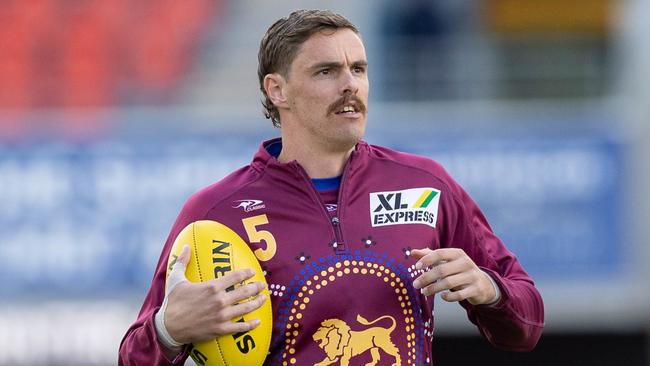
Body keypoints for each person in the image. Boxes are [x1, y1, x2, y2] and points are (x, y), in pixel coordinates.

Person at [119, 9, 544, 366]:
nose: (350, 85)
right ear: (277, 89)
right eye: (327, 71)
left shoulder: (425, 184)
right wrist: (168, 330)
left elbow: (527, 326)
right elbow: (132, 357)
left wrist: (491, 291)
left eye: (358, 69)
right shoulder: (215, 213)